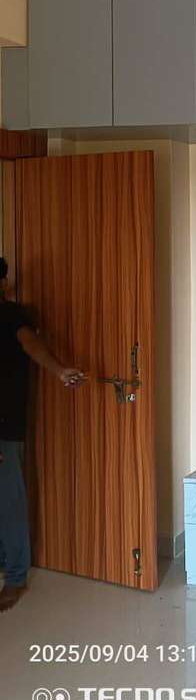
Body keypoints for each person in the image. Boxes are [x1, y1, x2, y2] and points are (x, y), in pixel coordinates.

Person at [0, 256, 86, 612]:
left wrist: (60, 370)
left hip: (5, 424)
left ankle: (15, 577)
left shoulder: (13, 315)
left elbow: (31, 345)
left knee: (9, 501)